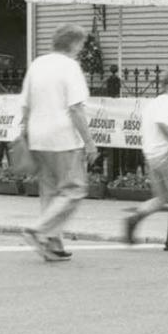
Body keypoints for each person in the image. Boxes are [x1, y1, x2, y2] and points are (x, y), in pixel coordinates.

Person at [19, 23, 99, 263]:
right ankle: (40, 230)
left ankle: (52, 244)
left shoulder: (38, 64)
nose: (81, 49)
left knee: (50, 190)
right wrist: (90, 142)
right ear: (74, 44)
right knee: (74, 189)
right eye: (81, 45)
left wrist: (25, 132)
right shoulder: (70, 67)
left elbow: (25, 103)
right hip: (63, 136)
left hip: (38, 134)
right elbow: (75, 108)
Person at [123, 69, 168, 249]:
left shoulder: (154, 103)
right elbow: (163, 124)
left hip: (152, 156)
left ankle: (134, 218)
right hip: (166, 156)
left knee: (161, 197)